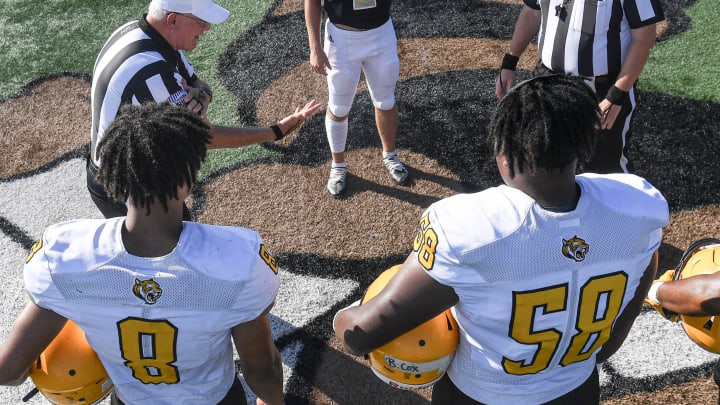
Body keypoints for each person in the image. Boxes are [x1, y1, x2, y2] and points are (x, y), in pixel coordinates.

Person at [333, 75, 669, 404]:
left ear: (505, 155)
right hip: (577, 390)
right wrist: (600, 347)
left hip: (481, 394)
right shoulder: (638, 205)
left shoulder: (468, 227)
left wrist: (345, 316)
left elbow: (362, 336)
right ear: (583, 143)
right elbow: (644, 269)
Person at [0, 103, 283, 405]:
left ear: (116, 176)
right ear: (188, 177)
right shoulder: (236, 259)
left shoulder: (64, 259)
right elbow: (261, 369)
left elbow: (8, 371)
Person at [89, 0, 321, 218]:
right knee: (174, 254)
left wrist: (201, 98)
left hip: (125, 175)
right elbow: (203, 136)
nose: (208, 27)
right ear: (173, 20)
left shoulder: (144, 34)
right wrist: (276, 131)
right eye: (200, 20)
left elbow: (201, 87)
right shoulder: (153, 73)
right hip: (126, 189)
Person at [496, 0, 664, 174]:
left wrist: (616, 95)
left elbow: (644, 38)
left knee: (603, 165)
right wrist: (510, 61)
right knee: (542, 155)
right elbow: (532, 12)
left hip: (601, 89)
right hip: (547, 80)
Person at [304, 0, 409, 197]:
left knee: (385, 100)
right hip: (342, 38)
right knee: (339, 106)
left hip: (381, 33)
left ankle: (390, 155)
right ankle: (338, 165)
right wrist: (315, 47)